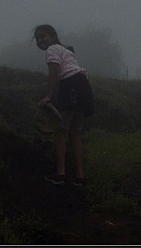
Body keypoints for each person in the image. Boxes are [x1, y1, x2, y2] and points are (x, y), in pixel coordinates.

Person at [34, 24, 95, 187]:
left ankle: (61, 173)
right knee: (75, 133)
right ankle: (80, 176)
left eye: (43, 36)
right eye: (37, 38)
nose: (40, 40)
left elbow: (53, 72)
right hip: (83, 86)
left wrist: (49, 96)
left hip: (71, 84)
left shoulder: (53, 49)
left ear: (52, 36)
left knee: (60, 131)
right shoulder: (67, 50)